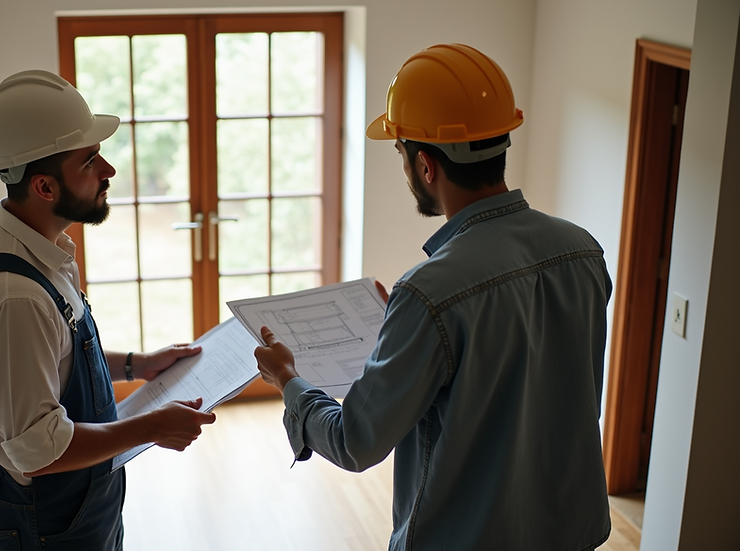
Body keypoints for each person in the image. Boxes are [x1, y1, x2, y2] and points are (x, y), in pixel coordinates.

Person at [254, 44, 613, 550]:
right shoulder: (582, 250)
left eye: (400, 153)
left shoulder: (429, 293)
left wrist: (288, 379)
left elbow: (355, 442)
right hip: (571, 533)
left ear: (425, 166)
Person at [0, 69, 216, 551]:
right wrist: (153, 426)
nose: (109, 170)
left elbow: (58, 358)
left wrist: (138, 364)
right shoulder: (14, 296)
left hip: (76, 505)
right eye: (90, 159)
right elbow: (36, 449)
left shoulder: (42, 251)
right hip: (45, 524)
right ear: (45, 187)